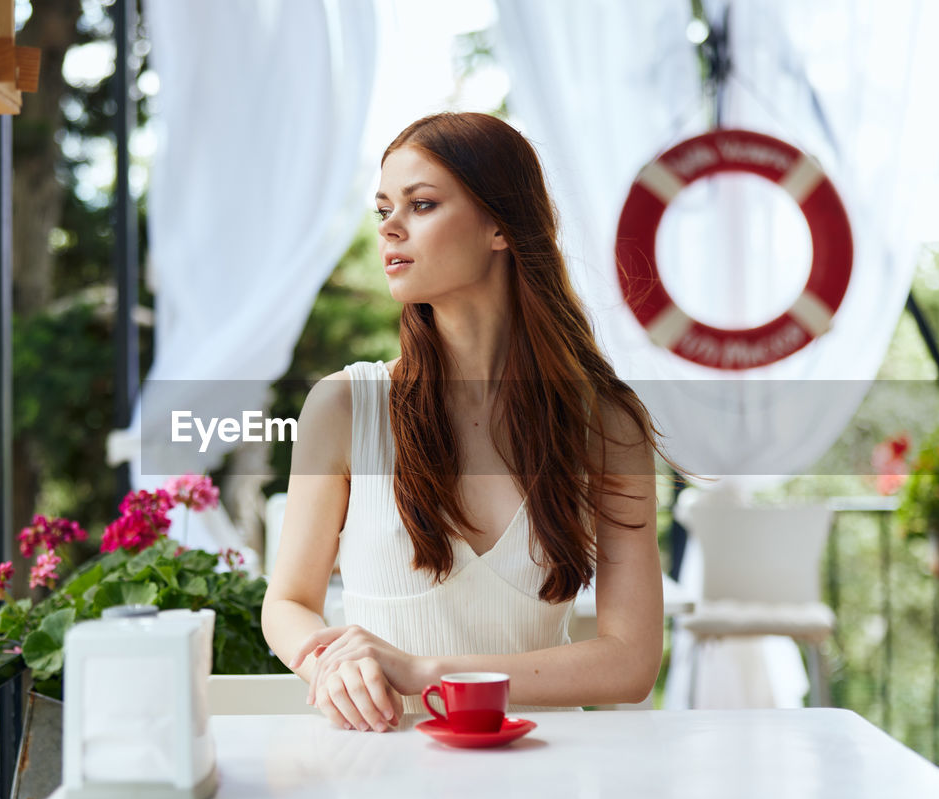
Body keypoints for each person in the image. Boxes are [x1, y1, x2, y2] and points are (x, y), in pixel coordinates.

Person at [261, 112, 664, 732]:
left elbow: (630, 663)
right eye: (383, 209)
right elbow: (287, 603)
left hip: (545, 773)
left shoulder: (603, 424)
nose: (390, 228)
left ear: (500, 225)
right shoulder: (344, 406)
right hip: (383, 767)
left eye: (421, 205)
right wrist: (330, 667)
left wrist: (424, 671)